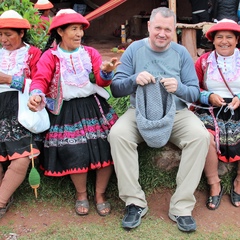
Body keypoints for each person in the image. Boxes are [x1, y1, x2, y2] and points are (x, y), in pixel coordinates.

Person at [108, 7, 210, 232]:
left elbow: (194, 92)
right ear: (149, 27)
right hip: (140, 112)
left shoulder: (181, 53)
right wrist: (134, 79)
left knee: (201, 137)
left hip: (177, 113)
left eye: (167, 29)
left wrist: (179, 88)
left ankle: (181, 207)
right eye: (158, 28)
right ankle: (134, 201)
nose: (162, 33)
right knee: (118, 135)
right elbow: (116, 88)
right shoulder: (134, 49)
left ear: (174, 30)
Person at [28, 9, 120, 216]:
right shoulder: (50, 57)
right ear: (60, 31)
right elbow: (40, 79)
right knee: (74, 150)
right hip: (65, 109)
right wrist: (36, 94)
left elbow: (101, 81)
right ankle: (81, 195)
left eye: (81, 29)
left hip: (93, 106)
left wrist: (105, 72)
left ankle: (100, 194)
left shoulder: (90, 54)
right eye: (74, 29)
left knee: (105, 146)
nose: (79, 34)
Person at [0, 10, 42, 218]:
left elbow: (40, 82)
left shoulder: (33, 54)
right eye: (0, 35)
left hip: (23, 108)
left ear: (21, 33)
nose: (3, 39)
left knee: (23, 157)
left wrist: (9, 79)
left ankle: (1, 201)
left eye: (8, 34)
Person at [194, 19, 240, 210]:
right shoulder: (203, 62)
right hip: (211, 109)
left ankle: (239, 182)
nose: (224, 41)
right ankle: (214, 184)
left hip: (237, 107)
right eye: (219, 37)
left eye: (229, 37)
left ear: (237, 40)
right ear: (212, 40)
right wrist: (208, 96)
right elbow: (192, 88)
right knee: (206, 136)